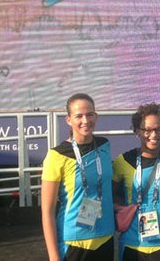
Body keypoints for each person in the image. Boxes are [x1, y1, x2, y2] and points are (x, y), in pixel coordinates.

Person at [41, 93, 115, 261]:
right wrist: (53, 257)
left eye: (89, 114)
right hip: (74, 242)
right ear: (68, 120)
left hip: (105, 238)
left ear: (96, 116)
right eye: (79, 116)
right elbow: (47, 211)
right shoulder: (56, 156)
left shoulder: (104, 145)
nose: (85, 120)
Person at [112, 103, 160, 261]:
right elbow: (112, 197)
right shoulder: (123, 161)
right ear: (137, 131)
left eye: (158, 129)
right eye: (147, 129)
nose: (153, 134)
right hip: (132, 245)